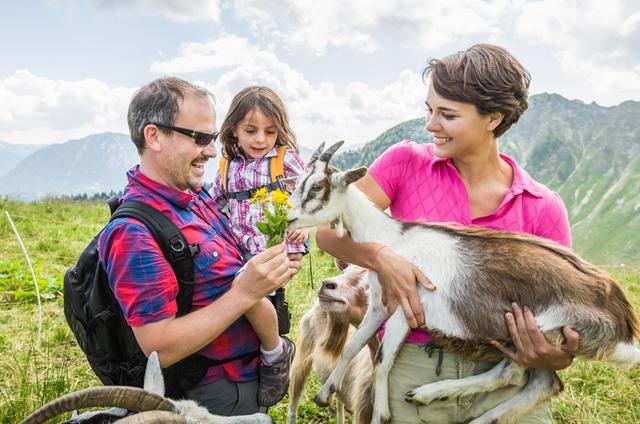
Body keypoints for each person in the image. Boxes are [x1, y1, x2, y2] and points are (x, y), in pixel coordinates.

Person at [316, 44, 580, 423]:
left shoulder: (542, 206)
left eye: (448, 114)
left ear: (494, 118)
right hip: (413, 364)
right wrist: (382, 258)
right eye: (430, 110)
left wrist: (555, 356)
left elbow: (564, 329)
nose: (431, 125)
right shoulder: (404, 163)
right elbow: (327, 231)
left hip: (506, 381)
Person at [98, 77, 301, 416]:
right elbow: (157, 347)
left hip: (243, 378)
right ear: (154, 136)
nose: (211, 149)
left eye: (212, 137)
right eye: (201, 138)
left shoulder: (195, 198)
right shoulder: (134, 232)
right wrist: (245, 293)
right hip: (212, 395)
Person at [211, 85, 309, 407]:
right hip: (237, 248)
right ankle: (245, 354)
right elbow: (213, 205)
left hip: (277, 249)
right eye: (250, 131)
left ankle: (275, 352)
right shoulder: (227, 166)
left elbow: (309, 199)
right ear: (233, 130)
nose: (260, 140)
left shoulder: (285, 160)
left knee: (248, 292)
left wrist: (303, 228)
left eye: (270, 131)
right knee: (235, 292)